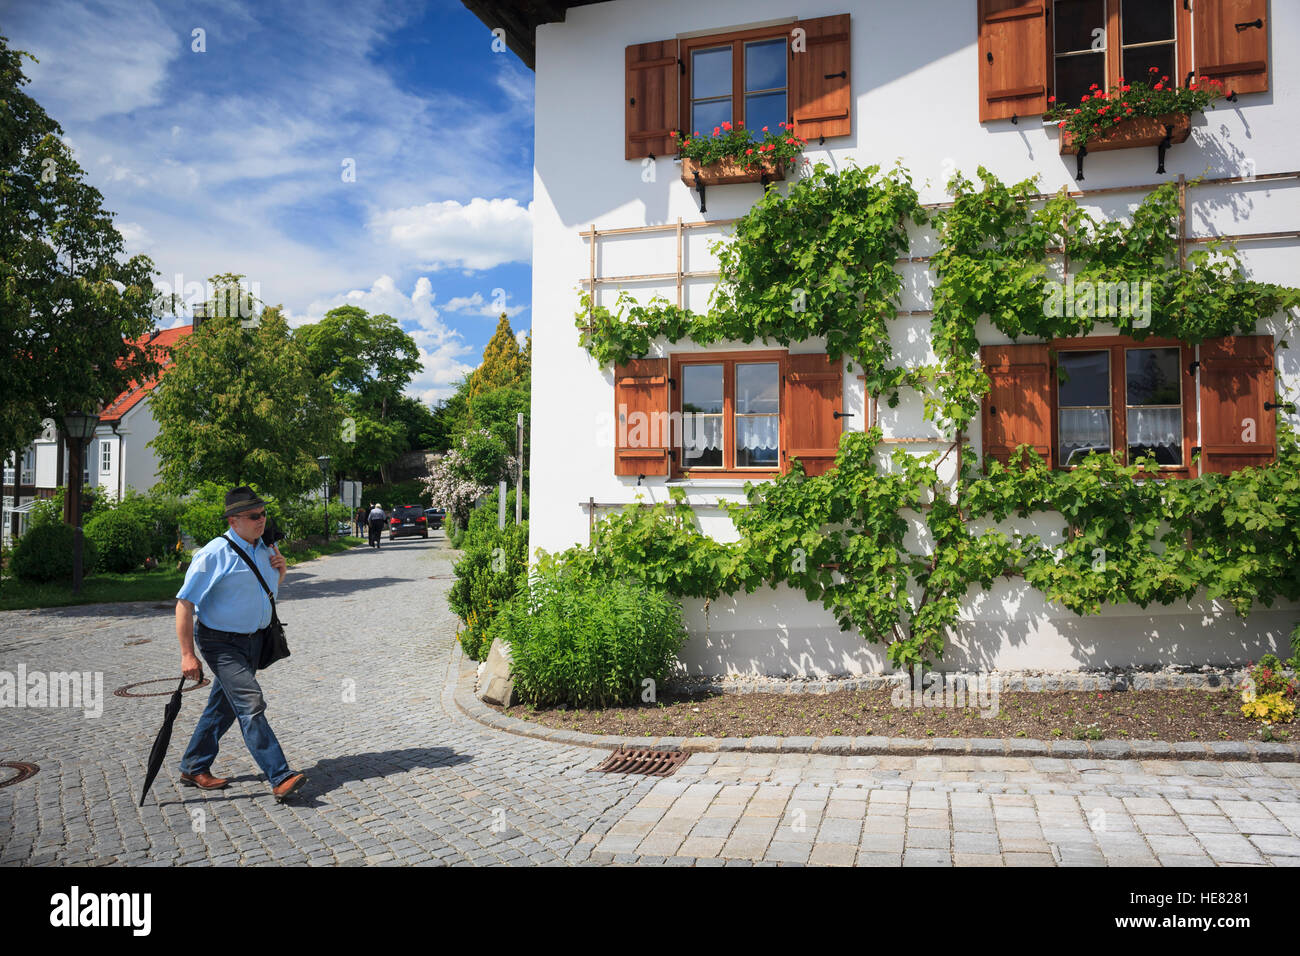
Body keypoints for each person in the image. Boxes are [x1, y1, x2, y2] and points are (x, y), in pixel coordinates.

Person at [174, 486, 306, 802]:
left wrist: (282, 573)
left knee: (223, 707)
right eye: (253, 516)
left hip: (254, 642)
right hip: (220, 643)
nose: (262, 520)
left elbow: (262, 592)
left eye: (263, 514)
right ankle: (280, 775)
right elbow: (184, 604)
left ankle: (194, 765)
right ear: (234, 521)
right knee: (250, 702)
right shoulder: (213, 554)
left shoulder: (264, 548)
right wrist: (187, 655)